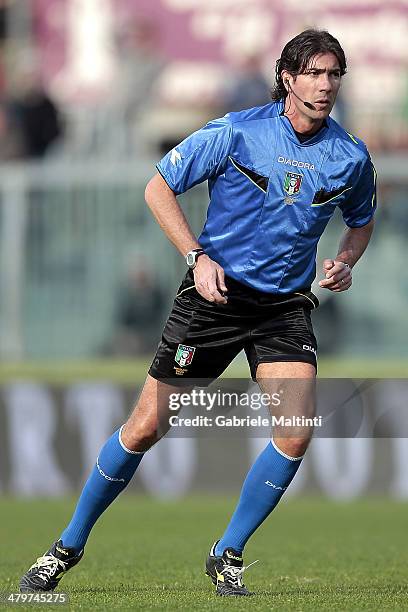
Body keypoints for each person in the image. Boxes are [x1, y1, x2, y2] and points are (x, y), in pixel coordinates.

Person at [20, 29, 376, 597]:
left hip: (284, 307)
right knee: (144, 428)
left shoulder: (351, 156)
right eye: (313, 72)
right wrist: (196, 256)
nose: (325, 85)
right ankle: (66, 546)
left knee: (295, 432)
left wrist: (346, 260)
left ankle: (227, 552)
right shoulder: (237, 131)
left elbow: (360, 221)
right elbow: (159, 186)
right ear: (287, 77)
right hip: (214, 299)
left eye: (334, 74)